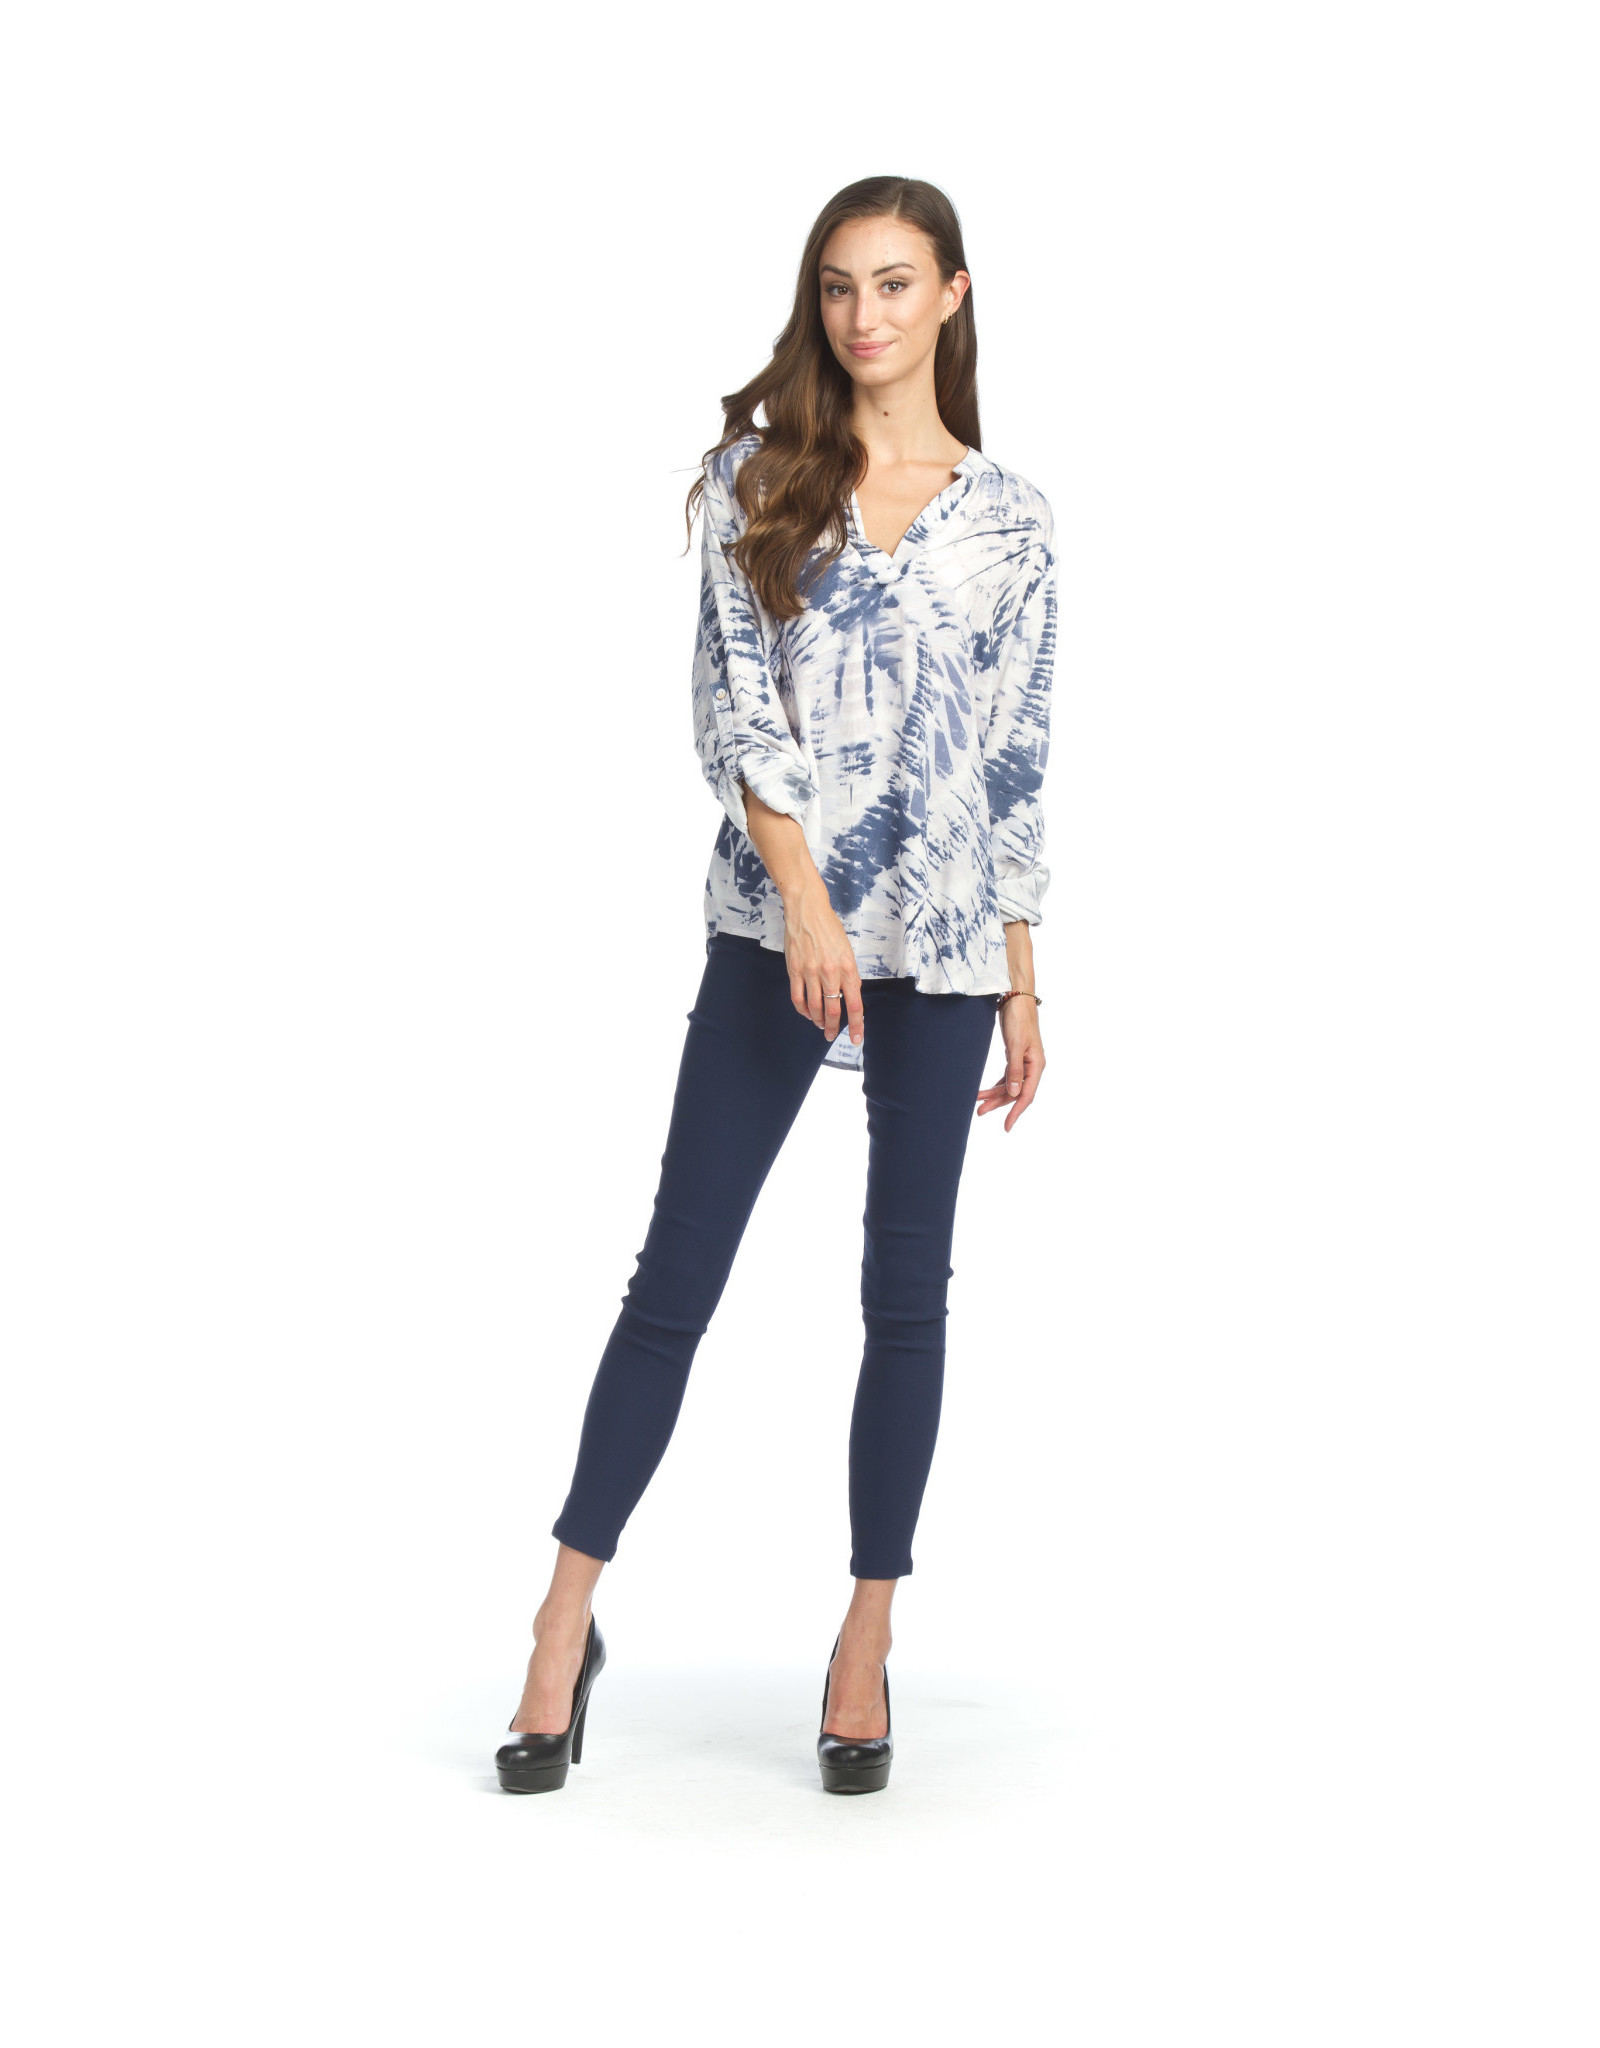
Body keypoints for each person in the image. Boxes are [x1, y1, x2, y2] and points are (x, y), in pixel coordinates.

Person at [495, 174, 1056, 1796]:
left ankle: (866, 1636)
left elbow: (1016, 759)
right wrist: (804, 901)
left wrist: (1023, 976)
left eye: (894, 283)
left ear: (952, 295)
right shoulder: (762, 477)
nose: (863, 316)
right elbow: (735, 711)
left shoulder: (1013, 520)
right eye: (836, 287)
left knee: (906, 1296)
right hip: (775, 931)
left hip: (946, 945)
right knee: (676, 1277)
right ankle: (562, 1620)